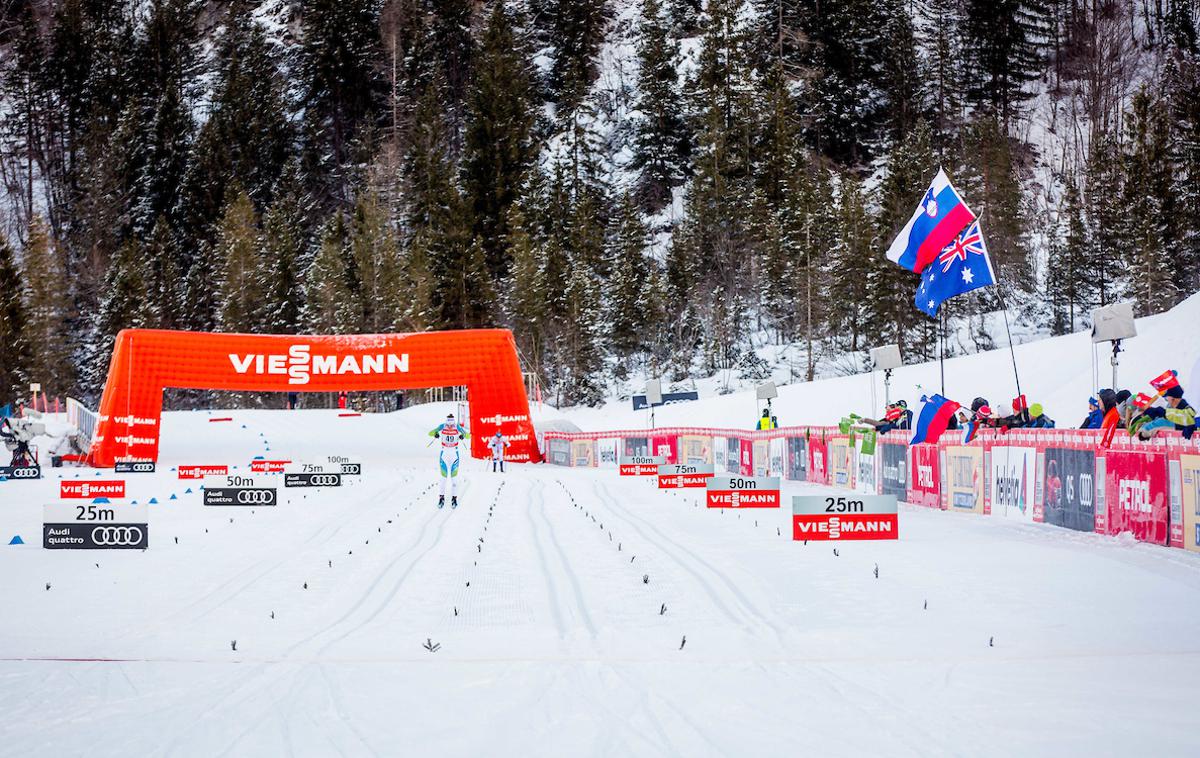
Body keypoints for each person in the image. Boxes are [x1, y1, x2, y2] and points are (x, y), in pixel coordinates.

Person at [429, 413, 469, 508]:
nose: (450, 426)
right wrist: (436, 434)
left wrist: (463, 436)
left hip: (454, 454)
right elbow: (430, 433)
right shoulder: (442, 426)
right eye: (449, 424)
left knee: (454, 479)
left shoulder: (457, 427)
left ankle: (454, 498)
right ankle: (441, 498)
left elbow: (468, 436)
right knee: (443, 478)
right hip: (445, 454)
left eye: (451, 424)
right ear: (447, 421)